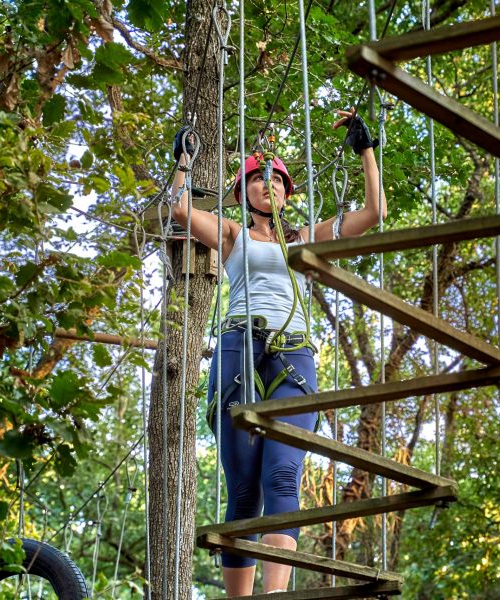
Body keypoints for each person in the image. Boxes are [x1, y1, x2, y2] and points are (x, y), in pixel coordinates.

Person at [170, 110, 387, 597]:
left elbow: (373, 216)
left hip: (294, 354)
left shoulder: (303, 238)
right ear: (244, 192)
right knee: (244, 489)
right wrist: (183, 161)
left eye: (276, 181)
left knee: (283, 477)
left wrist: (366, 151)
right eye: (257, 180)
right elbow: (181, 211)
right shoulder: (232, 235)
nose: (268, 186)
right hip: (238, 350)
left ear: (287, 193)